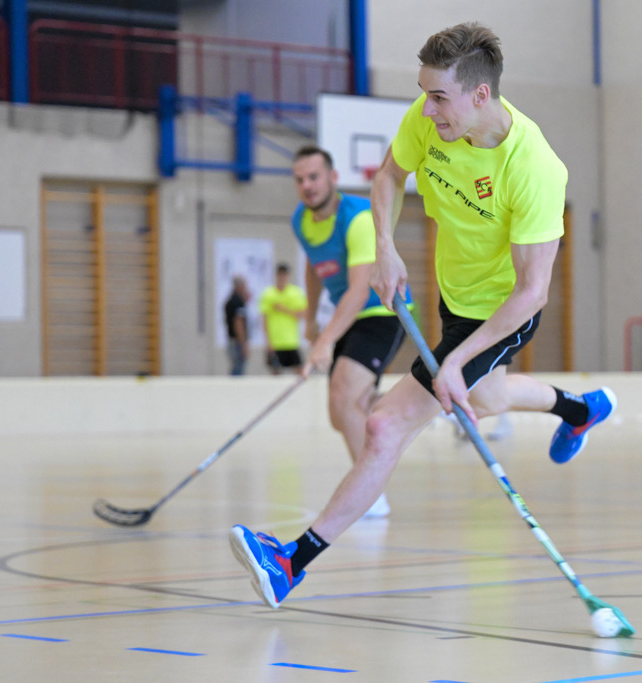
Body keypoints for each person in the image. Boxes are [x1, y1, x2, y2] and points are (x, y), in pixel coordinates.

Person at [230, 23, 616, 609]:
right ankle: (581, 409)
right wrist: (384, 245)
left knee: (385, 424)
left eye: (439, 97)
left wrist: (457, 358)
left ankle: (291, 562)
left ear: (479, 96)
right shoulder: (429, 118)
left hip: (499, 313)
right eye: (423, 93)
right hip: (452, 296)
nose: (426, 109)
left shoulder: (534, 168)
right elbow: (388, 175)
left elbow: (533, 293)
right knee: (484, 400)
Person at [289, 144, 413, 518]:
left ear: (333, 178)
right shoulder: (301, 221)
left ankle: (370, 495)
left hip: (383, 310)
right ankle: (405, 407)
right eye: (299, 180)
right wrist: (312, 320)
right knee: (340, 411)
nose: (307, 186)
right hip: (349, 315)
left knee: (343, 398)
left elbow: (361, 289)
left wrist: (327, 340)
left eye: (314, 177)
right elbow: (314, 268)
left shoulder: (357, 218)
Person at [260, 264, 307, 375]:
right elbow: (264, 319)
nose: (282, 278)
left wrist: (284, 309)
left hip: (291, 340)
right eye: (280, 275)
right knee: (275, 371)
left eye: (284, 275)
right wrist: (268, 341)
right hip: (275, 341)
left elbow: (302, 314)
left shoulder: (295, 293)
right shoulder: (269, 293)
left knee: (299, 369)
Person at [223, 275, 251, 376]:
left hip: (232, 340)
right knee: (238, 367)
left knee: (236, 365)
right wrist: (243, 343)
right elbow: (238, 323)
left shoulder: (230, 300)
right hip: (237, 341)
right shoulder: (237, 302)